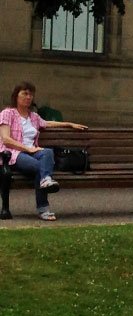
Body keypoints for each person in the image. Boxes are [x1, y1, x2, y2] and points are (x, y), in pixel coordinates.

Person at [0, 82, 89, 221]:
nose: (28, 97)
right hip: (13, 153)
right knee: (40, 168)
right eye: (25, 93)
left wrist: (69, 123)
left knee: (47, 152)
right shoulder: (7, 113)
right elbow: (6, 140)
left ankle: (46, 179)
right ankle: (43, 208)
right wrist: (27, 148)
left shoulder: (34, 117)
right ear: (16, 96)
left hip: (33, 152)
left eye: (30, 94)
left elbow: (48, 123)